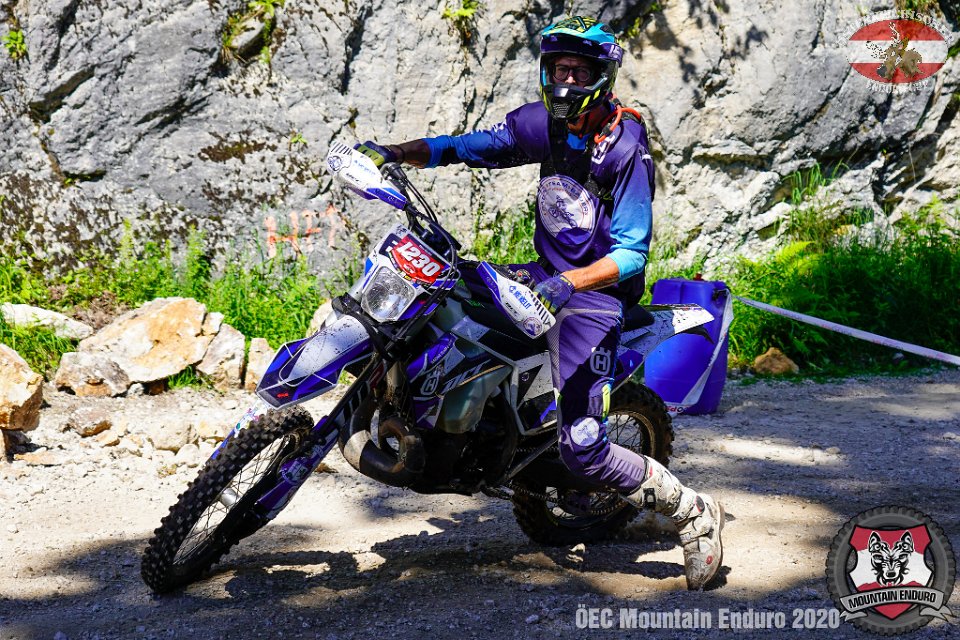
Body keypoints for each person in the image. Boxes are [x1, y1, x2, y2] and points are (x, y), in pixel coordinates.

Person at [356, 15, 724, 590]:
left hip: (594, 299)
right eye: (558, 68)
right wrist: (396, 153)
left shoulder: (625, 147)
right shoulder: (545, 124)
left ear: (602, 77)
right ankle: (459, 428)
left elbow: (631, 254)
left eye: (579, 71)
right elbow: (469, 147)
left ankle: (692, 512)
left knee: (583, 446)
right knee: (440, 300)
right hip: (542, 276)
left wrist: (570, 284)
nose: (566, 80)